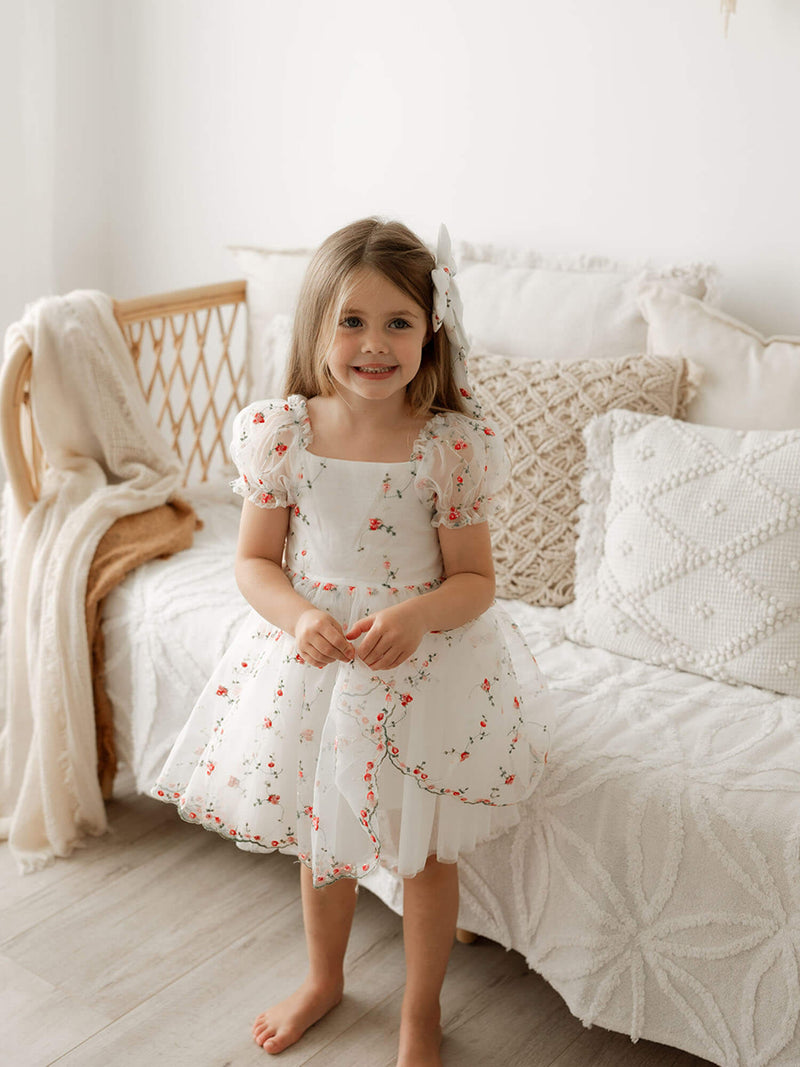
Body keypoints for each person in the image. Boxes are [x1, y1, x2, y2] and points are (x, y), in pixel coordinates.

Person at [152, 218, 553, 1065]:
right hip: (320, 665)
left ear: (431, 329)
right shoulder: (285, 434)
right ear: (317, 328)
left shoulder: (449, 446)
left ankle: (420, 1010)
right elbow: (255, 561)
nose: (375, 344)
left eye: (399, 322)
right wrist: (299, 616)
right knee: (321, 838)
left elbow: (475, 582)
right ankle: (324, 978)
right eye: (353, 322)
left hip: (418, 669)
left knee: (422, 855)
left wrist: (415, 615)